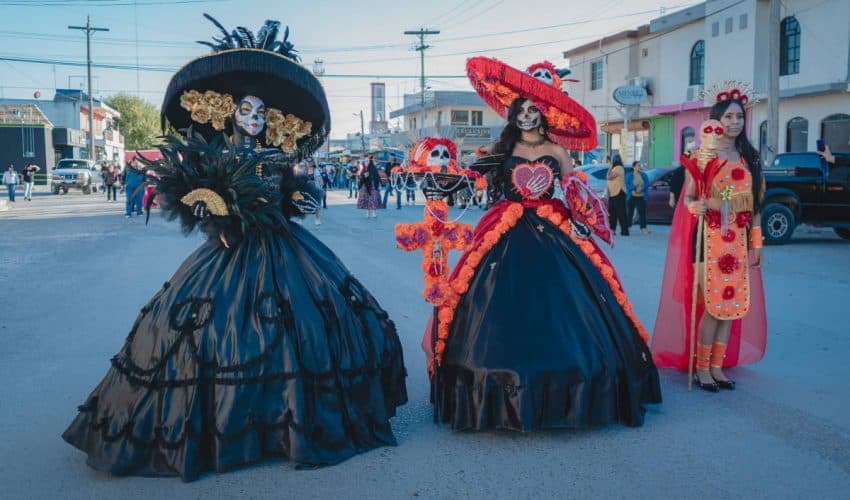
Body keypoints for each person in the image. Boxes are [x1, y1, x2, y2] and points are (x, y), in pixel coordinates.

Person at [62, 16, 407, 482]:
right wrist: (217, 218)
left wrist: (291, 198)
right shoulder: (216, 155)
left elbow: (286, 197)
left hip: (285, 249)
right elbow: (195, 199)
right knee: (213, 331)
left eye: (262, 112)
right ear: (229, 112)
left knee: (304, 324)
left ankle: (290, 420)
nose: (255, 118)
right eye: (246, 110)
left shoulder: (272, 156)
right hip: (230, 251)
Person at [425, 57, 661, 432]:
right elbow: (470, 177)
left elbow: (575, 191)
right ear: (514, 114)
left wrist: (586, 224)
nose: (528, 116)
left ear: (544, 114)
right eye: (522, 110)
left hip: (553, 227)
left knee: (567, 301)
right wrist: (440, 180)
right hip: (507, 227)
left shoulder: (558, 152)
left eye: (535, 110)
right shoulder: (501, 149)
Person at [652, 82, 767, 392]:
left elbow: (756, 206)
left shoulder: (751, 159)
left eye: (739, 117)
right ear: (716, 121)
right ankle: (702, 368)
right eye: (728, 117)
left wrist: (756, 244)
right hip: (707, 238)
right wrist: (697, 205)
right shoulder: (703, 155)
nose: (734, 123)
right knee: (713, 304)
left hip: (737, 239)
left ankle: (718, 366)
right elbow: (689, 198)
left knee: (731, 306)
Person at [606, 155, 629, 235]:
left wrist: (610, 166)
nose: (611, 161)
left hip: (619, 192)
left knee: (621, 213)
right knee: (612, 213)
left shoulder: (619, 168)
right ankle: (612, 230)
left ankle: (625, 231)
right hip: (613, 193)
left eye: (612, 160)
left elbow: (608, 177)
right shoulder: (614, 168)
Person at [625, 160, 650, 234]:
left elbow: (647, 183)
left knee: (642, 212)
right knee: (630, 212)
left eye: (640, 165)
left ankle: (643, 228)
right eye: (638, 165)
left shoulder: (643, 175)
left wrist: (641, 188)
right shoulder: (629, 175)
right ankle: (627, 227)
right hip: (631, 196)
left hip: (641, 196)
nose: (640, 167)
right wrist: (635, 188)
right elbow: (627, 184)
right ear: (634, 167)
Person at [304, 158, 323, 224]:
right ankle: (302, 218)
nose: (309, 163)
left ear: (312, 163)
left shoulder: (315, 170)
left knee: (316, 205)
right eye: (307, 162)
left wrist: (321, 188)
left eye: (310, 162)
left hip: (314, 189)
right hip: (306, 189)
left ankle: (317, 220)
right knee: (304, 204)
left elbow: (320, 180)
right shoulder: (304, 171)